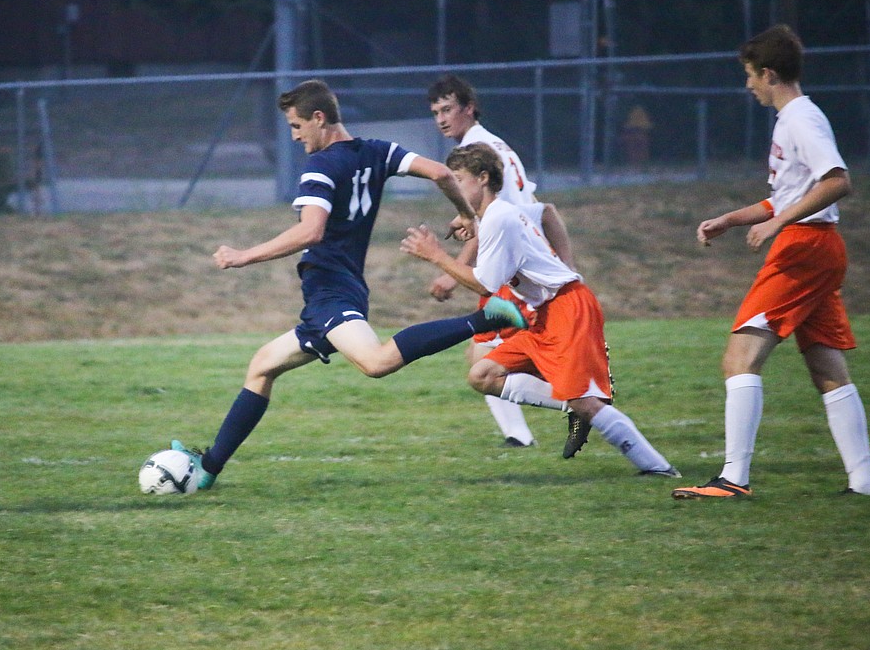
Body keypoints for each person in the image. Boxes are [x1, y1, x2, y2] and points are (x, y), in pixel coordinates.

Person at [171, 79, 526, 490]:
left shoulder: (320, 167)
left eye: (296, 125)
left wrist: (243, 256)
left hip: (330, 290)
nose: (294, 136)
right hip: (336, 292)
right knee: (262, 367)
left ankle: (483, 319)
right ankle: (208, 470)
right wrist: (468, 214)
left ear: (319, 118)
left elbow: (311, 232)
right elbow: (442, 172)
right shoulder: (378, 151)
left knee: (375, 362)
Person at [671, 25, 870, 499]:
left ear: (768, 73)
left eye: (750, 76)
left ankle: (733, 480)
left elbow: (837, 181)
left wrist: (779, 223)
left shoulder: (801, 119)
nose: (748, 86)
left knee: (739, 357)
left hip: (805, 248)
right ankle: (863, 482)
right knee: (826, 365)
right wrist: (731, 219)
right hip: (817, 246)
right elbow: (785, 197)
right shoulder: (794, 119)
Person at [400, 143, 680, 478]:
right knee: (482, 374)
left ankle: (658, 468)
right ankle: (577, 403)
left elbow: (485, 286)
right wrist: (471, 221)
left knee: (585, 403)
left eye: (459, 180)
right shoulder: (499, 213)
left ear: (484, 178)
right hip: (547, 312)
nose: (454, 190)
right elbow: (545, 213)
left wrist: (436, 255)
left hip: (568, 309)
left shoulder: (499, 219)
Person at [426, 74, 589, 456]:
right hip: (524, 266)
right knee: (487, 354)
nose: (441, 119)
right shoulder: (493, 144)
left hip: (514, 270)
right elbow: (540, 208)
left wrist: (450, 269)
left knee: (486, 358)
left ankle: (583, 406)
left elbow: (498, 218)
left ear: (469, 108)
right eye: (435, 112)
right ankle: (532, 428)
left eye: (448, 109)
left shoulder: (477, 150)